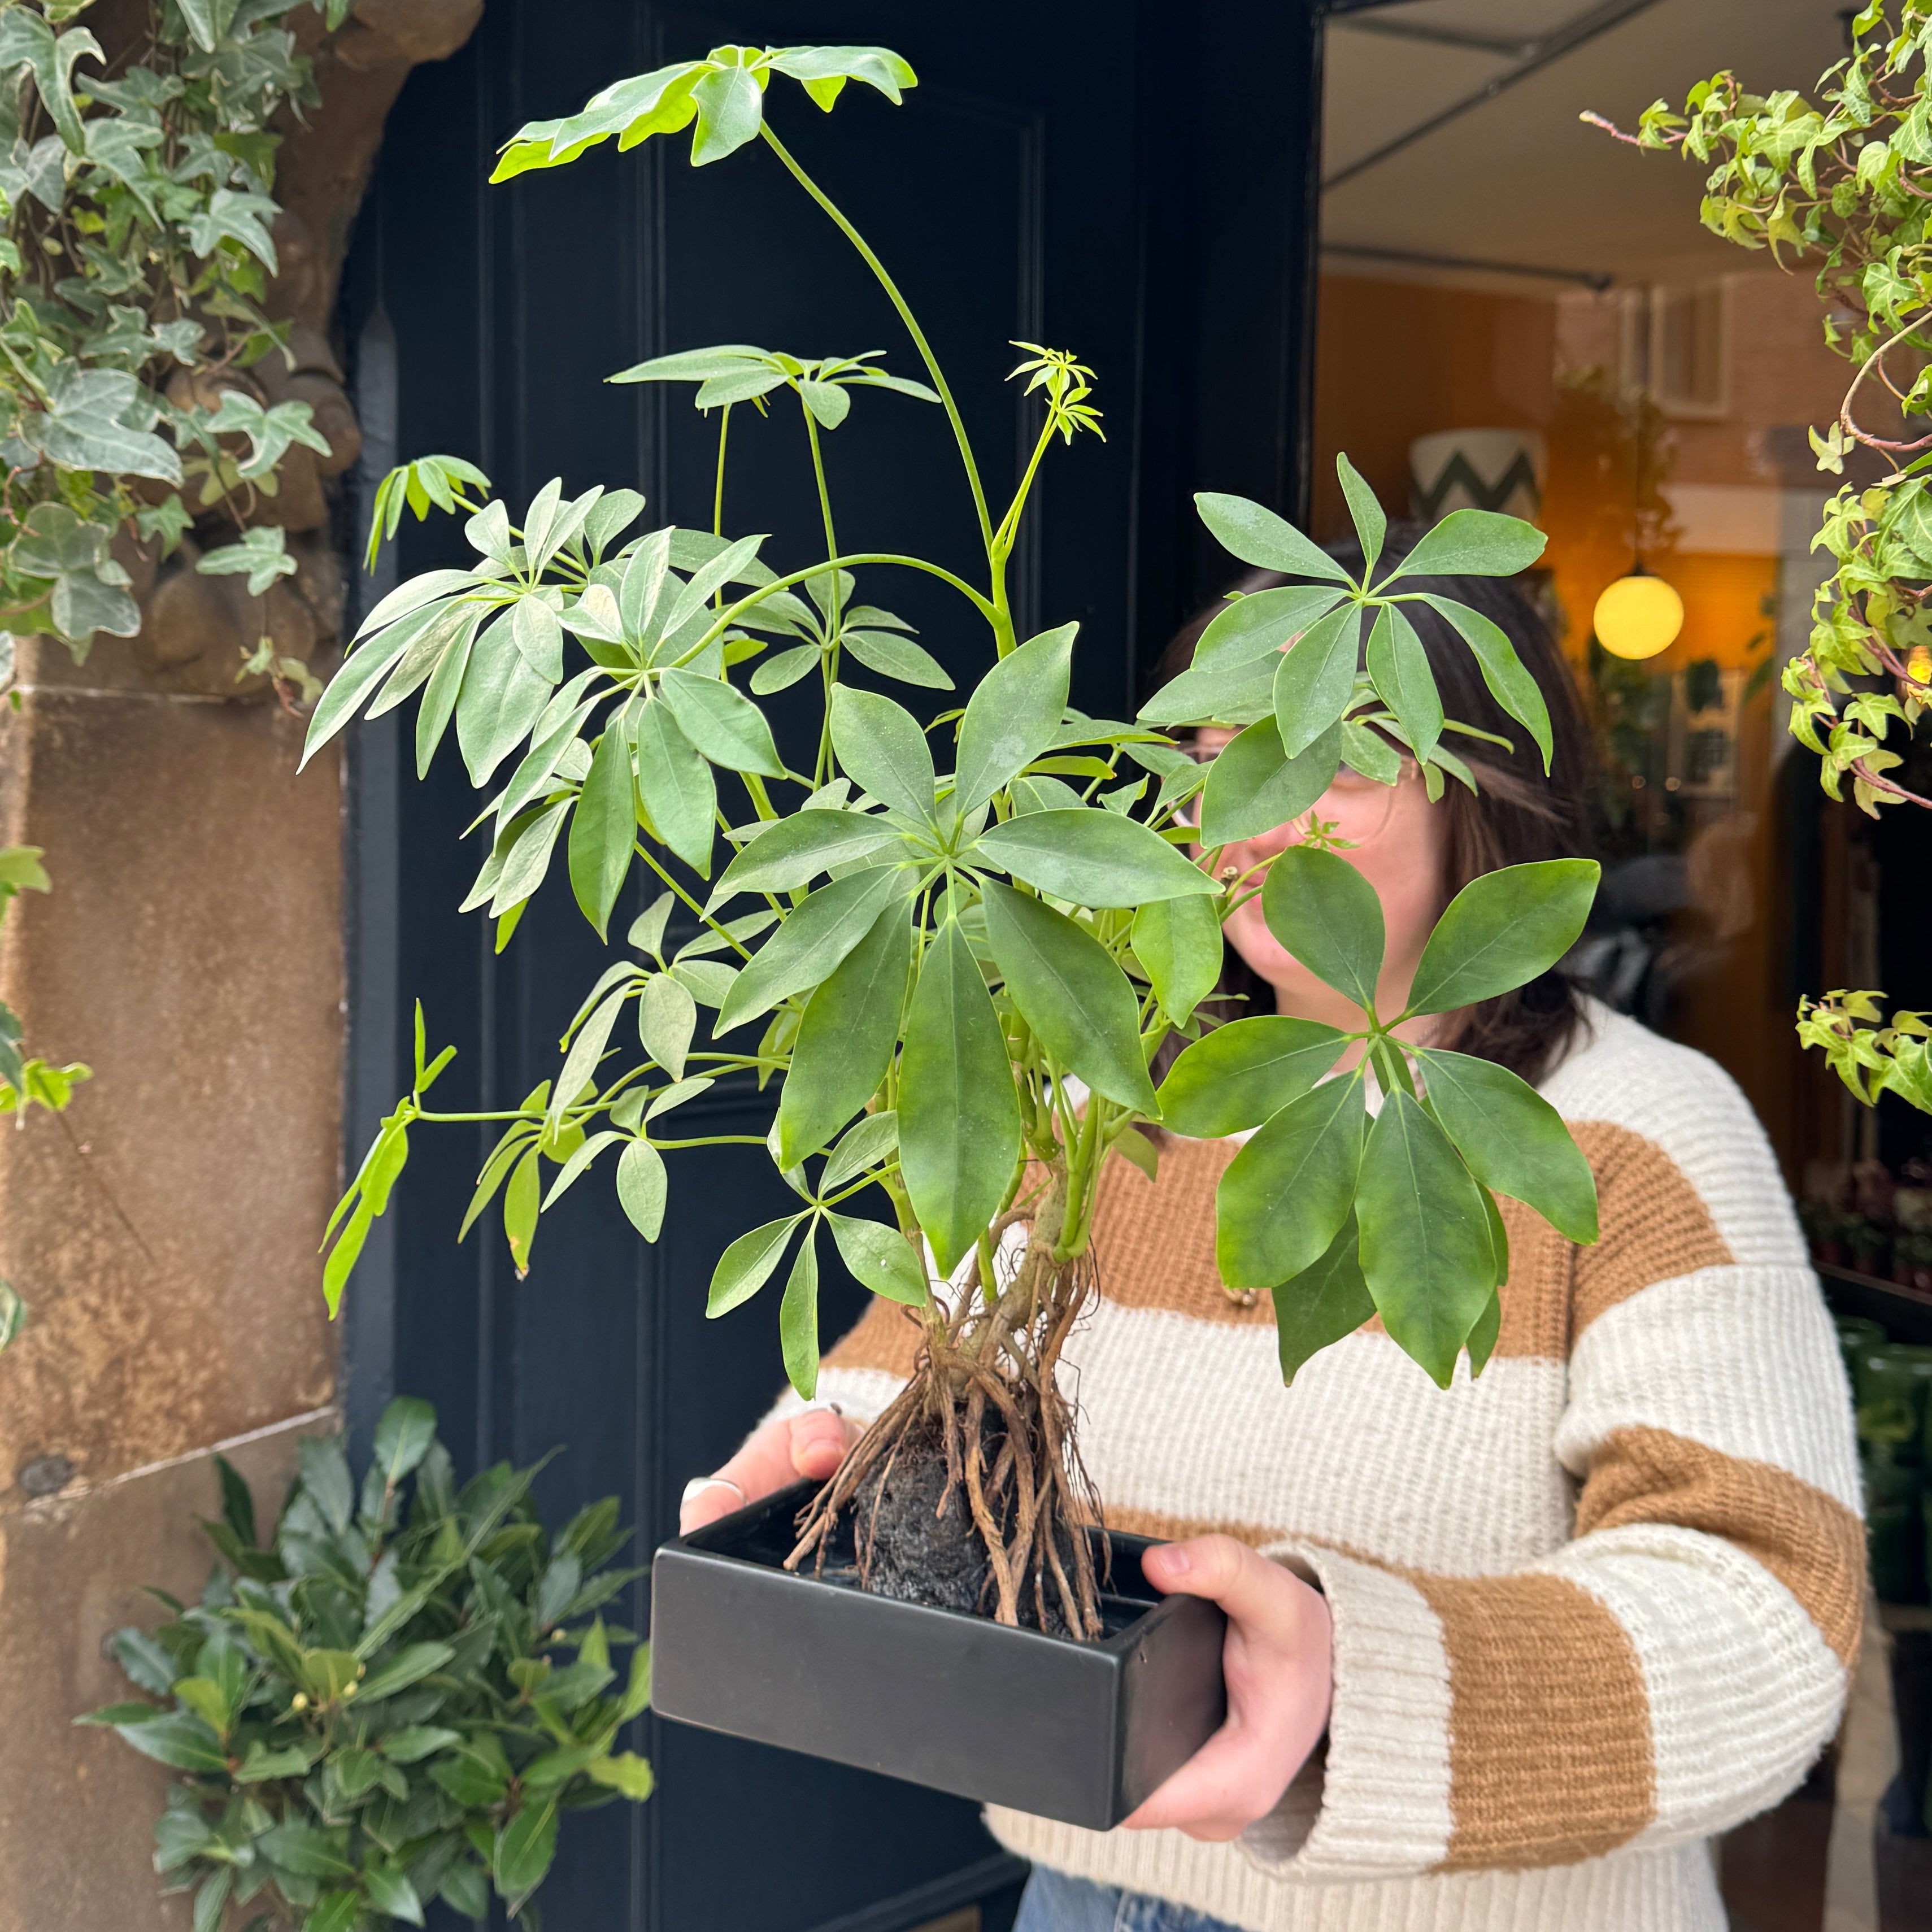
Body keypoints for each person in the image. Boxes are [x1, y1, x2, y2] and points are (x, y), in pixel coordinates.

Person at [681, 531, 1863, 1932]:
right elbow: (922, 1366)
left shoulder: (1642, 1129)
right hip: (1083, 1889)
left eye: (1334, 760)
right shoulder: (1100, 1090)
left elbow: (1770, 1617)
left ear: (1481, 796)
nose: (1258, 815)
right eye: (1217, 756)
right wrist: (822, 1462)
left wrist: (1356, 1690)